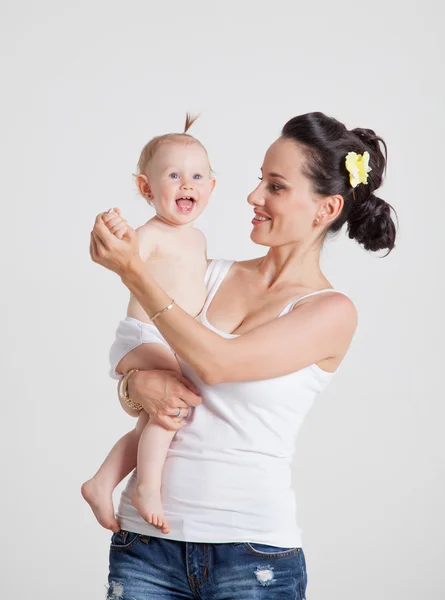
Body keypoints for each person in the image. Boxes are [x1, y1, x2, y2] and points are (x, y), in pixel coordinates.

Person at [90, 112, 396, 600]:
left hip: (251, 557)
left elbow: (218, 363)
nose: (253, 196)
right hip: (145, 545)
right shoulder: (205, 272)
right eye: (259, 180)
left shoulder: (330, 311)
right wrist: (134, 387)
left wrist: (135, 273)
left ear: (326, 208)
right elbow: (143, 353)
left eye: (275, 186)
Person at [82, 114, 215, 535]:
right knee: (178, 396)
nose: (187, 184)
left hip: (164, 338)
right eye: (173, 175)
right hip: (143, 336)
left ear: (212, 187)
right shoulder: (154, 232)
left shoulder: (198, 238)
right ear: (146, 188)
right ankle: (148, 489)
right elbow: (124, 253)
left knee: (148, 423)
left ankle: (102, 480)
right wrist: (118, 230)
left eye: (197, 176)